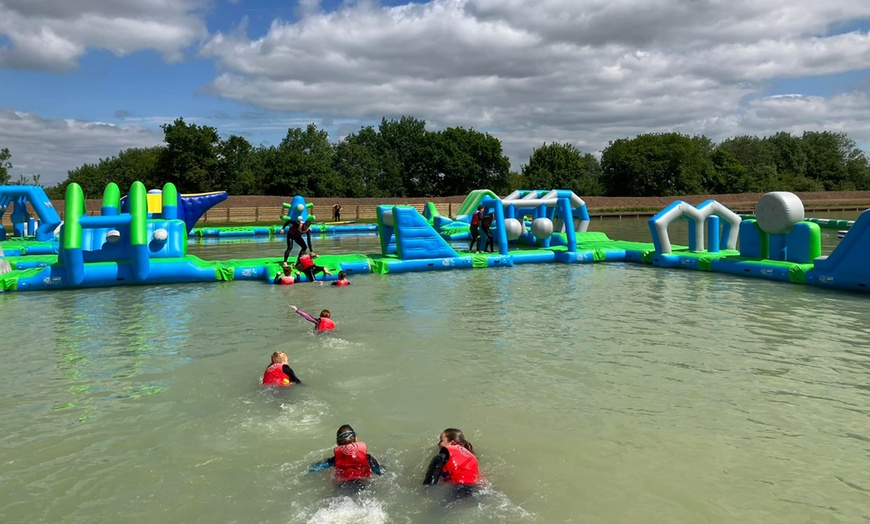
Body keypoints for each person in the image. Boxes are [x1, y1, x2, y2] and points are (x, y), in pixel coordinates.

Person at [309, 424, 383, 490]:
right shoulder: (367, 457)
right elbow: (379, 471)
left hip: (343, 486)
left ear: (337, 442)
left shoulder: (335, 459)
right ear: (356, 439)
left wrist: (310, 469)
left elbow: (315, 468)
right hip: (363, 484)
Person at [423, 428, 479, 497]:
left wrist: (423, 494)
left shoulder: (442, 456)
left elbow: (429, 484)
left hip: (456, 490)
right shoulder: (472, 457)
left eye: (441, 440)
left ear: (452, 443)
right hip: (475, 491)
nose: (438, 444)